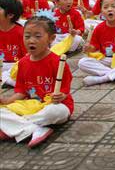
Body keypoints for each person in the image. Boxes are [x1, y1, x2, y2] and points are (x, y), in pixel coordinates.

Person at [0, 16, 73, 147]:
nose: (31, 41)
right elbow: (21, 91)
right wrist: (6, 101)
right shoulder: (22, 63)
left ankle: (15, 127)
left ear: (51, 39)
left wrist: (61, 95)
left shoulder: (58, 62)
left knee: (56, 112)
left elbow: (64, 91)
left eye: (37, 36)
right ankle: (35, 129)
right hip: (30, 105)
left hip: (54, 105)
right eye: (27, 36)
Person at [0, 0, 25, 87]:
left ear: (10, 15)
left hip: (14, 65)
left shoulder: (21, 32)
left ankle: (7, 80)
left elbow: (27, 57)